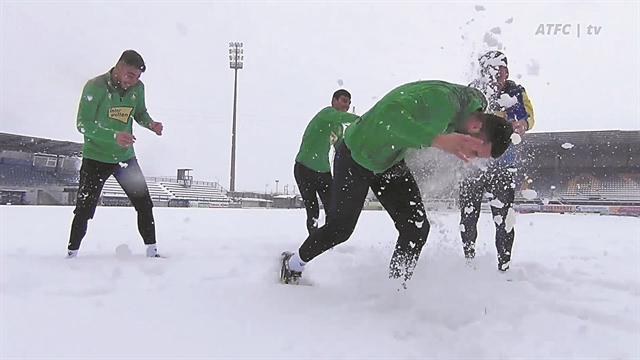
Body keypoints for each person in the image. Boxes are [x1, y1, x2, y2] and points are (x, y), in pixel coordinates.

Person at [280, 80, 514, 288]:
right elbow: (389, 115)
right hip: (356, 156)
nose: (469, 157)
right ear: (474, 129)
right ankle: (293, 264)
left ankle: (396, 288)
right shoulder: (441, 102)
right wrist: (438, 139)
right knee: (340, 229)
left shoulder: (474, 107)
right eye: (474, 151)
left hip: (390, 161)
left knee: (416, 227)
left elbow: (479, 100)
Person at [66, 50, 164, 259]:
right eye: (130, 74)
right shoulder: (95, 86)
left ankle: (152, 252)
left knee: (144, 204)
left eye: (137, 77)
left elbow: (139, 113)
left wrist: (151, 124)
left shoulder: (138, 88)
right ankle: (71, 254)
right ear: (118, 67)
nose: (133, 81)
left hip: (125, 159)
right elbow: (83, 124)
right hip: (95, 158)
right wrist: (113, 136)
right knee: (84, 209)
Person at [459, 50, 535, 272]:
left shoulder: (516, 92)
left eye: (498, 70)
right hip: (472, 165)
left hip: (503, 164)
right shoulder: (473, 91)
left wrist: (522, 125)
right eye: (489, 70)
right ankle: (468, 260)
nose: (494, 75)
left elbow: (528, 117)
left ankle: (504, 265)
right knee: (468, 215)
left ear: (506, 72)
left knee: (503, 219)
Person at [294, 89, 359, 233]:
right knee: (313, 210)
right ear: (334, 101)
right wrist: (362, 120)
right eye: (344, 101)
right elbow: (343, 117)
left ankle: (327, 241)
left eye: (349, 103)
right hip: (305, 168)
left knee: (333, 209)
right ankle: (313, 241)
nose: (347, 105)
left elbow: (342, 149)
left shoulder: (338, 128)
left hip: (323, 172)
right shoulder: (326, 114)